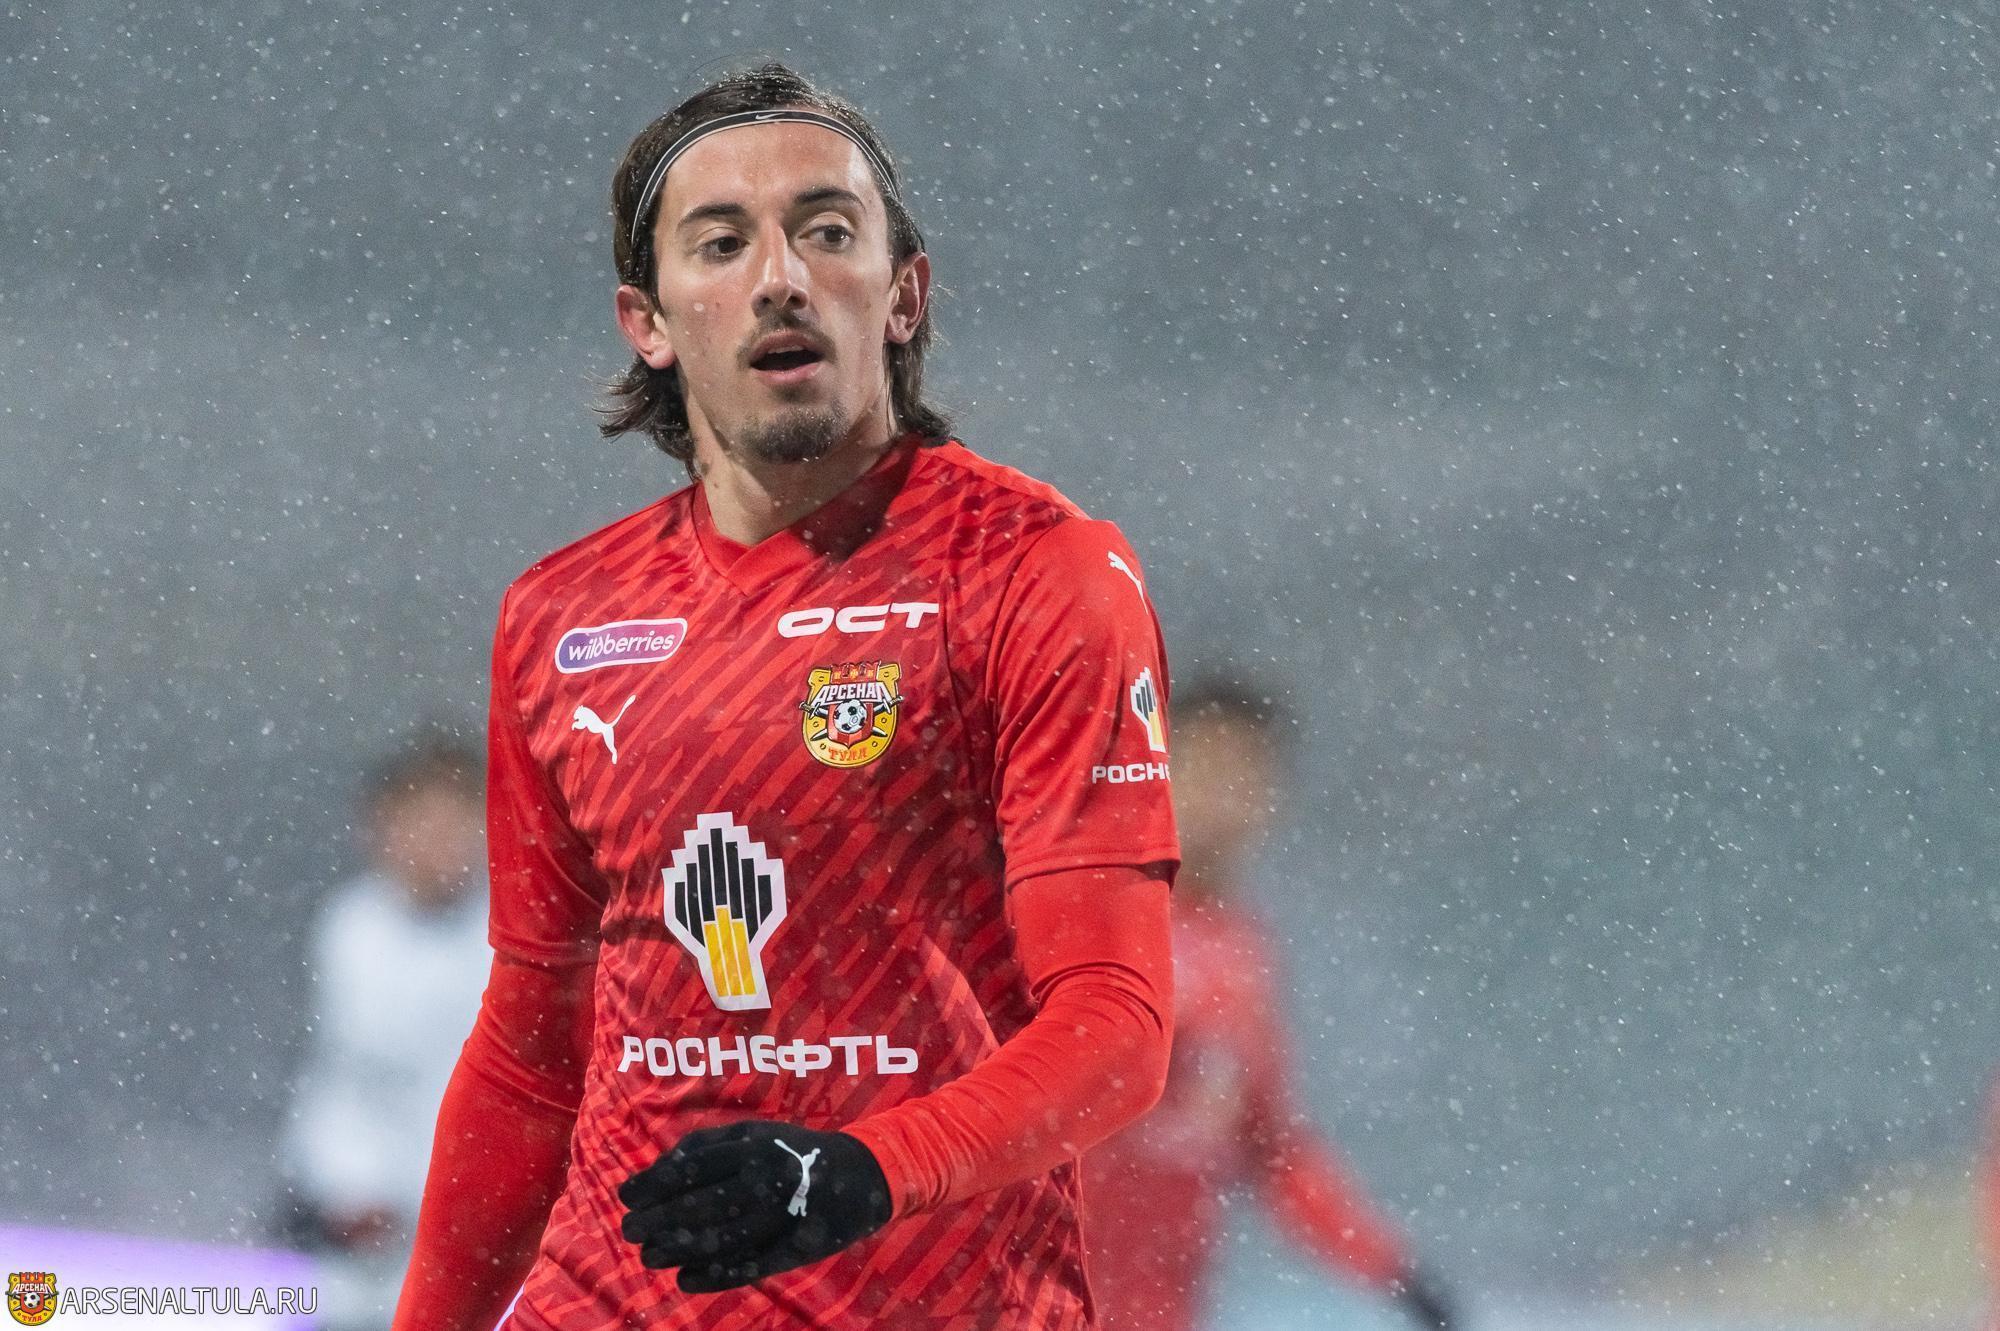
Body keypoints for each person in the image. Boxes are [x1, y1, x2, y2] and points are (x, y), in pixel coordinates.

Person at [390, 62, 1181, 1331]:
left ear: (903, 294)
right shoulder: (560, 617)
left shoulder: (1035, 573)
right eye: (721, 242)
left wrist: (862, 1170)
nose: (779, 277)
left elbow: (1115, 1027)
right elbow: (532, 1057)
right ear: (647, 321)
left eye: (825, 231)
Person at [1082, 678, 1457, 1331]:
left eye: (1246, 776)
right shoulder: (1076, 911)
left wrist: (1394, 1270)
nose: (1225, 800)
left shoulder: (1244, 952)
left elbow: (1271, 1148)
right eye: (1205, 768)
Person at [282, 732, 490, 1330]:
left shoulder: (516, 935)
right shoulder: (348, 928)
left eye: (454, 821)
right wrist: (339, 1189)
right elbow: (339, 1079)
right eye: (416, 820)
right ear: (377, 828)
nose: (436, 841)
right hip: (361, 1265)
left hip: (485, 1246)